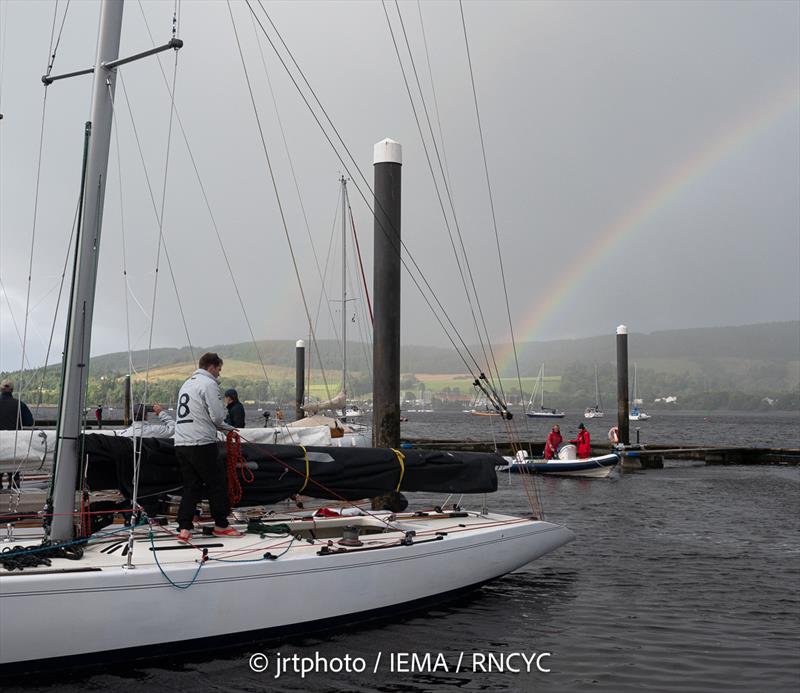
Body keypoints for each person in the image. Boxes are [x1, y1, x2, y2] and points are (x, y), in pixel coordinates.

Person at [174, 352, 242, 541]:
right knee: (217, 482)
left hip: (181, 443)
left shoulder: (187, 384)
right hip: (201, 442)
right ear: (211, 367)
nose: (219, 374)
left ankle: (184, 528)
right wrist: (230, 429)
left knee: (191, 485)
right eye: (219, 369)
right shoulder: (209, 384)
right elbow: (218, 417)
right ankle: (221, 524)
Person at [0, 379, 33, 489]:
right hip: (14, 442)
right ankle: (13, 485)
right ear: (12, 390)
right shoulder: (19, 404)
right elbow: (30, 422)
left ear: (1, 389)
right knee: (14, 474)